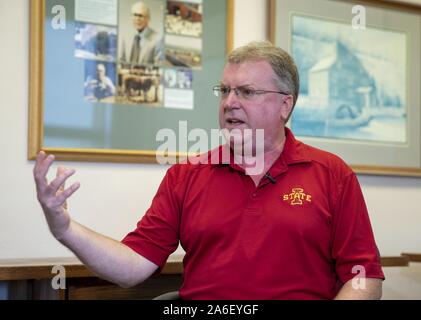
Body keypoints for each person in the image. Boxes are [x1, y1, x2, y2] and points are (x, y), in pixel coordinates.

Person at [33, 41, 384, 300]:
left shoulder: (331, 174)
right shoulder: (187, 175)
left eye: (246, 91)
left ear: (284, 104)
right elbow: (133, 267)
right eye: (225, 90)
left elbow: (363, 276)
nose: (230, 102)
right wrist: (65, 228)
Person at [119, 1, 164, 65]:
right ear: (131, 17)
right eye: (135, 15)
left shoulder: (158, 39)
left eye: (140, 16)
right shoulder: (126, 37)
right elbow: (121, 61)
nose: (137, 19)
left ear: (148, 18)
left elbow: (158, 66)